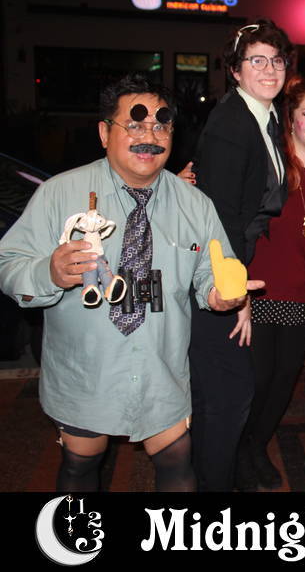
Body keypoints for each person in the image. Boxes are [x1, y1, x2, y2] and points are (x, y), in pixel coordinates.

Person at [0, 74, 258, 491]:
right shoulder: (59, 194)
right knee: (80, 466)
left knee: (177, 461)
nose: (149, 136)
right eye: (134, 125)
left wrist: (220, 294)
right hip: (86, 374)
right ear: (105, 133)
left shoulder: (194, 204)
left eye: (161, 126)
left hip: (160, 371)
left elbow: (213, 270)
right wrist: (48, 272)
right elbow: (8, 263)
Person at [188, 19, 293, 491]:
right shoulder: (233, 123)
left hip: (231, 263)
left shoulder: (266, 116)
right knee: (228, 394)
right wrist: (237, 294)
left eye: (276, 60)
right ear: (235, 70)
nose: (269, 69)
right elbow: (221, 218)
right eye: (257, 60)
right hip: (214, 274)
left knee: (224, 391)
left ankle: (214, 476)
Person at [237, 75, 305, 490]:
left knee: (283, 383)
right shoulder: (270, 164)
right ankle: (239, 450)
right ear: (291, 119)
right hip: (257, 292)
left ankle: (255, 448)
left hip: (302, 297)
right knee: (257, 382)